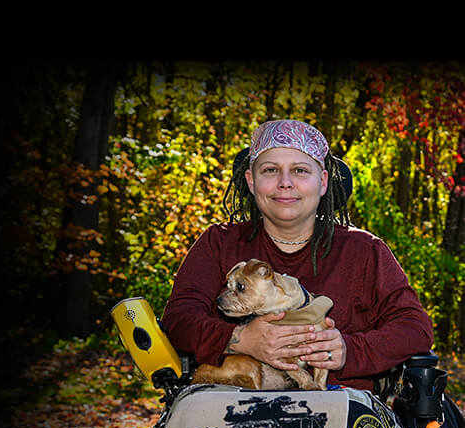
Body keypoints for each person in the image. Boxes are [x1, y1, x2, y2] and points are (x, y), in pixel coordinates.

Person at [160, 119, 434, 391]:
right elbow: (179, 319)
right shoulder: (218, 243)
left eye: (301, 170)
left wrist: (348, 350)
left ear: (323, 181)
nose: (285, 183)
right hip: (231, 406)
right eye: (270, 170)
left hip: (339, 410)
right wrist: (241, 339)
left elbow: (415, 328)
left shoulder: (364, 251)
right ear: (251, 181)